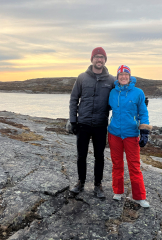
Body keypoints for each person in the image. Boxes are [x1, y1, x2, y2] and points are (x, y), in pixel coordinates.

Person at [69, 47, 115, 198]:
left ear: (105, 60)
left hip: (101, 125)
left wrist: (138, 100)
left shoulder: (111, 80)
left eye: (102, 57)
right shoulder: (82, 77)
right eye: (96, 57)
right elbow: (74, 99)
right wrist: (73, 121)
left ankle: (98, 185)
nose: (99, 59)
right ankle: (80, 182)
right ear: (92, 59)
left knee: (99, 156)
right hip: (83, 123)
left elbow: (120, 98)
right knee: (81, 155)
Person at [107, 65, 152, 208]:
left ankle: (139, 197)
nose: (123, 77)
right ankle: (118, 191)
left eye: (126, 74)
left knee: (134, 165)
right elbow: (106, 109)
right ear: (117, 77)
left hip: (131, 134)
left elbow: (143, 113)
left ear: (130, 76)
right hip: (114, 133)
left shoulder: (138, 93)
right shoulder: (113, 93)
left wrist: (144, 131)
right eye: (120, 74)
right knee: (117, 164)